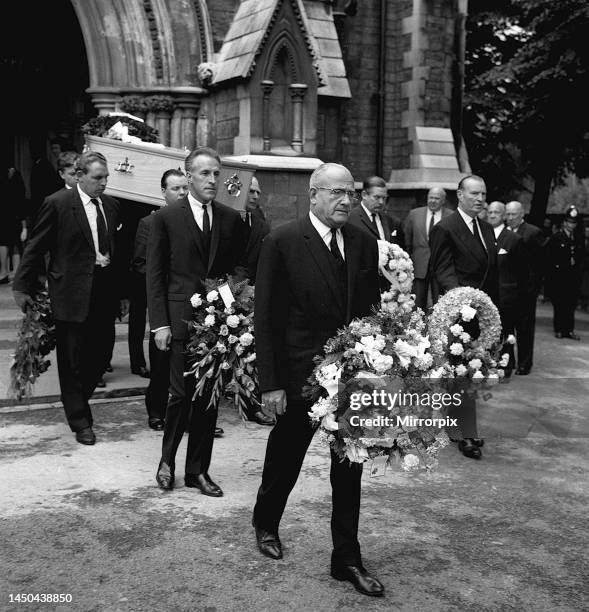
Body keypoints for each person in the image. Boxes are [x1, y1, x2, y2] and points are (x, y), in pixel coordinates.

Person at [252, 163, 384, 597]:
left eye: (352, 192)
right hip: (298, 379)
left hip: (351, 380)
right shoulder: (284, 241)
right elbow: (266, 316)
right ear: (313, 195)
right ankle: (266, 522)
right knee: (285, 459)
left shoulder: (364, 243)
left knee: (349, 470)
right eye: (336, 192)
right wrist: (270, 383)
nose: (346, 200)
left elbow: (370, 314)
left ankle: (346, 558)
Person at [13, 152, 129, 445]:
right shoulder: (58, 204)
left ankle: (77, 399)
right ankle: (80, 420)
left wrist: (124, 293)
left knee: (102, 352)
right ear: (79, 175)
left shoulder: (112, 206)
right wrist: (22, 286)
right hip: (70, 291)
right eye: (97, 178)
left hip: (104, 288)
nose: (103, 183)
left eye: (106, 178)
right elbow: (36, 246)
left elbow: (120, 254)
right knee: (72, 358)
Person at [147, 147, 245, 495]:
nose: (212, 180)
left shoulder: (230, 218)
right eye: (205, 174)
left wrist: (230, 307)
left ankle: (197, 472)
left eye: (216, 173)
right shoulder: (166, 218)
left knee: (208, 398)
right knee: (179, 395)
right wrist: (158, 324)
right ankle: (166, 462)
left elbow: (238, 268)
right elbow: (155, 274)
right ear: (188, 177)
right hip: (179, 321)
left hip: (217, 324)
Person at [429, 175, 498, 460]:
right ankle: (465, 433)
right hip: (458, 313)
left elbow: (492, 272)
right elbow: (443, 271)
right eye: (474, 194)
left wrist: (491, 311)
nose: (480, 199)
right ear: (459, 195)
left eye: (483, 194)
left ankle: (457, 427)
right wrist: (463, 304)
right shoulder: (446, 227)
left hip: (482, 314)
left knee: (470, 372)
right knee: (461, 371)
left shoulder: (485, 227)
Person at [131, 169, 189, 430]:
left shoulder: (196, 221)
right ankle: (156, 411)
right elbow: (141, 264)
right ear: (163, 192)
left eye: (184, 188)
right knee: (162, 362)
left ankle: (188, 416)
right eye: (175, 189)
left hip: (192, 304)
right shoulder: (150, 223)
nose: (181, 193)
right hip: (165, 304)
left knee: (190, 365)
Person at [239, 176, 275, 426]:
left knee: (250, 350)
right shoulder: (226, 217)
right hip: (225, 289)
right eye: (250, 191)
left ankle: (252, 405)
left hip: (251, 291)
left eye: (257, 192)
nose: (254, 196)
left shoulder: (259, 219)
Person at [505, 201, 545, 374]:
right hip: (507, 290)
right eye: (508, 214)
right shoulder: (503, 233)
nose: (510, 217)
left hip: (525, 291)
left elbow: (541, 264)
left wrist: (534, 289)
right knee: (507, 328)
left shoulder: (533, 233)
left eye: (514, 214)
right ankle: (508, 362)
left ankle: (524, 363)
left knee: (525, 329)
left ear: (522, 214)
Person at [487, 201, 526, 376]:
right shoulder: (483, 235)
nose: (492, 215)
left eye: (496, 212)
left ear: (504, 215)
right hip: (487, 293)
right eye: (490, 212)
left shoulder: (514, 239)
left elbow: (521, 271)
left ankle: (507, 366)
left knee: (507, 331)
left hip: (506, 294)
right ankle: (489, 363)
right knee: (489, 330)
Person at [403, 187, 451, 310]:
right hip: (419, 266)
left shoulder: (451, 216)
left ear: (443, 200)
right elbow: (407, 239)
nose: (433, 201)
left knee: (440, 303)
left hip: (441, 267)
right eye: (431, 197)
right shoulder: (414, 214)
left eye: (437, 198)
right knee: (416, 303)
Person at [545, 206, 585, 340]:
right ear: (564, 222)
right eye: (569, 222)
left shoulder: (578, 238)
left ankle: (569, 330)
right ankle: (559, 329)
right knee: (560, 304)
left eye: (573, 222)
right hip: (560, 277)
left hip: (573, 277)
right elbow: (550, 258)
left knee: (571, 304)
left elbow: (581, 258)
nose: (571, 225)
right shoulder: (557, 237)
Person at [347, 175, 404, 249]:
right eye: (377, 197)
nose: (381, 202)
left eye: (384, 198)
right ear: (364, 195)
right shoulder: (350, 219)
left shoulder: (392, 222)